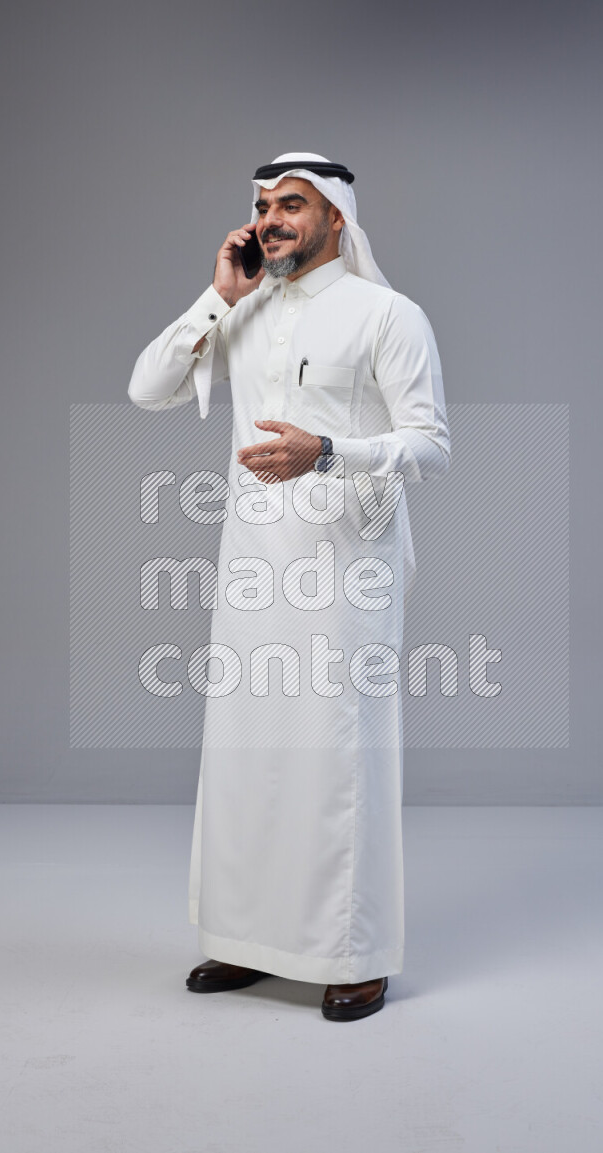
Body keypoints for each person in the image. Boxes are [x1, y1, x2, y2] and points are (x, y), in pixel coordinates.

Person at [127, 152, 450, 1020]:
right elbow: (147, 385)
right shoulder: (248, 311)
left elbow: (431, 444)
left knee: (340, 762)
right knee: (249, 758)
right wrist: (220, 296)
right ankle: (245, 941)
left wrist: (330, 451)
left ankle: (356, 952)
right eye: (265, 205)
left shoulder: (388, 315)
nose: (273, 219)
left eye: (293, 205)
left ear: (337, 219)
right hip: (252, 571)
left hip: (346, 573)